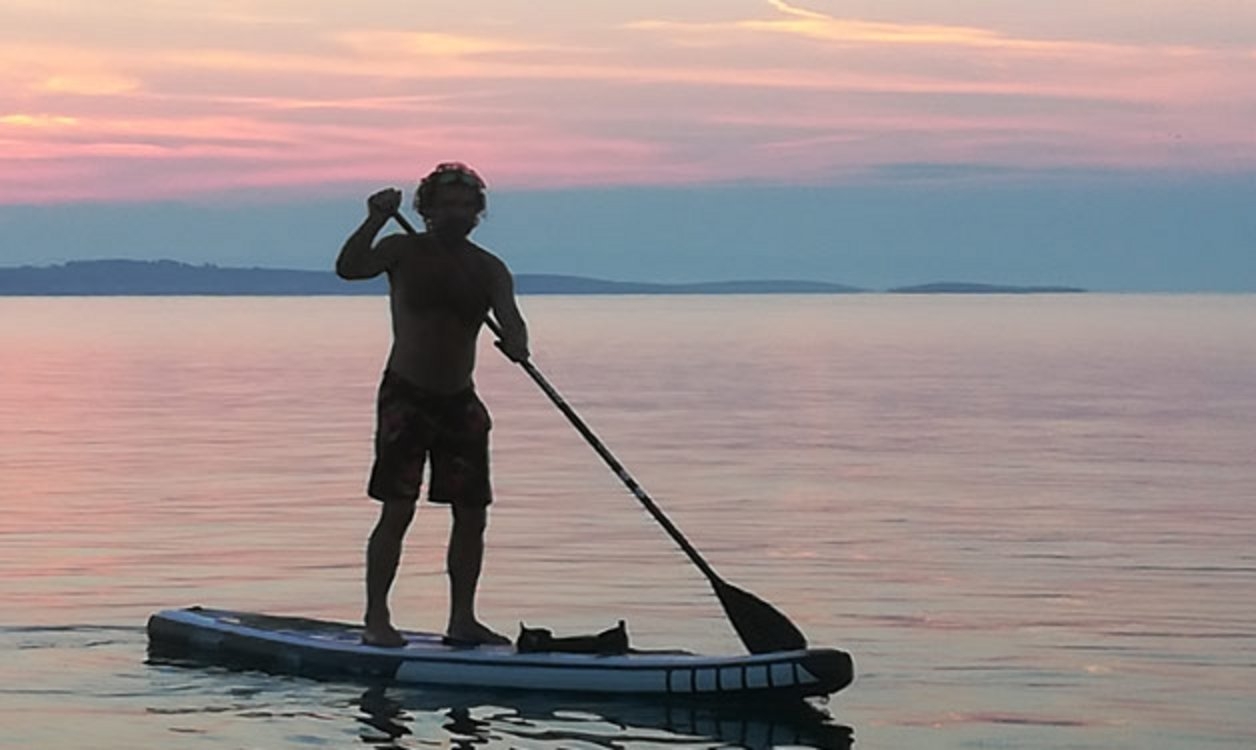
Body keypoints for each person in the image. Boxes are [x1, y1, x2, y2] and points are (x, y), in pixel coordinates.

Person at [335, 162, 529, 647]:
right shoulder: (402, 250)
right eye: (447, 206)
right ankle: (376, 620)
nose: (457, 214)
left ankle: (462, 619)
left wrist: (518, 342)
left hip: (459, 401)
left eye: (466, 206)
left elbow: (512, 320)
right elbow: (349, 267)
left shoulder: (488, 268)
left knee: (472, 512)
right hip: (406, 395)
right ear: (427, 209)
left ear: (477, 212)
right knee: (398, 509)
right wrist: (376, 218)